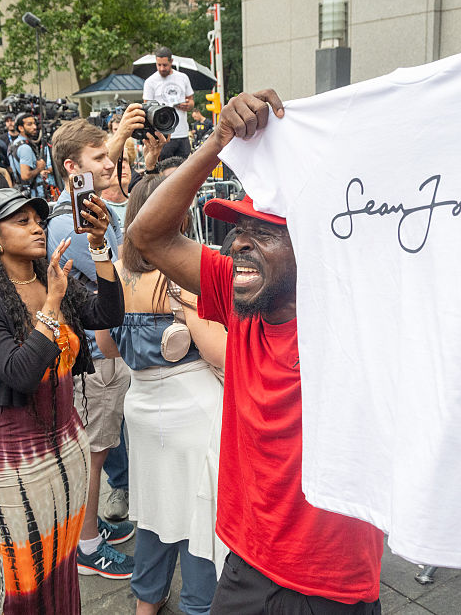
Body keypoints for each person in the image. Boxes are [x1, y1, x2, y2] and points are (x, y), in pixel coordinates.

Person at [127, 91, 385, 613]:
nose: (239, 244)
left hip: (330, 578)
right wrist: (218, 142)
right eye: (237, 232)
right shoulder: (238, 297)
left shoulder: (353, 322)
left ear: (309, 248)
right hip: (246, 560)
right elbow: (147, 234)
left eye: (263, 233)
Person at [0, 187, 124, 612]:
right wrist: (52, 302)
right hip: (16, 452)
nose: (37, 227)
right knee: (27, 573)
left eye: (38, 219)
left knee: (64, 560)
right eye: (22, 221)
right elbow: (20, 372)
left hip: (68, 441)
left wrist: (100, 248)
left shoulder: (53, 280)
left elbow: (109, 315)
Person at [97, 174, 228, 615]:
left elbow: (107, 346)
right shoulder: (184, 275)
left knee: (152, 512)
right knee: (198, 515)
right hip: (193, 406)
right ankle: (197, 605)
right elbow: (219, 353)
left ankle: (146, 603)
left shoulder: (116, 270)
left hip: (142, 406)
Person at [48, 119, 137, 578]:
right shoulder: (70, 222)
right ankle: (86, 546)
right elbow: (124, 271)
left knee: (97, 451)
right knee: (93, 455)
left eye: (109, 155)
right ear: (71, 168)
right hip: (95, 360)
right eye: (100, 158)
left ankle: (89, 526)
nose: (110, 163)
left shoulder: (89, 210)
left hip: (102, 356)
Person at [143, 46, 194, 160]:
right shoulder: (150, 81)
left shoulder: (183, 78)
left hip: (182, 134)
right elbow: (146, 108)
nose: (161, 68)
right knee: (163, 173)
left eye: (165, 65)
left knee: (184, 171)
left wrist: (188, 105)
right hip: (162, 135)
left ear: (171, 61)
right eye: (158, 65)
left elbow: (191, 101)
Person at [8, 112, 54, 197]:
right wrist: (40, 168)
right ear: (21, 128)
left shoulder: (14, 144)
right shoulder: (25, 147)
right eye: (29, 124)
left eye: (34, 124)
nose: (34, 127)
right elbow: (26, 175)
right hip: (33, 195)